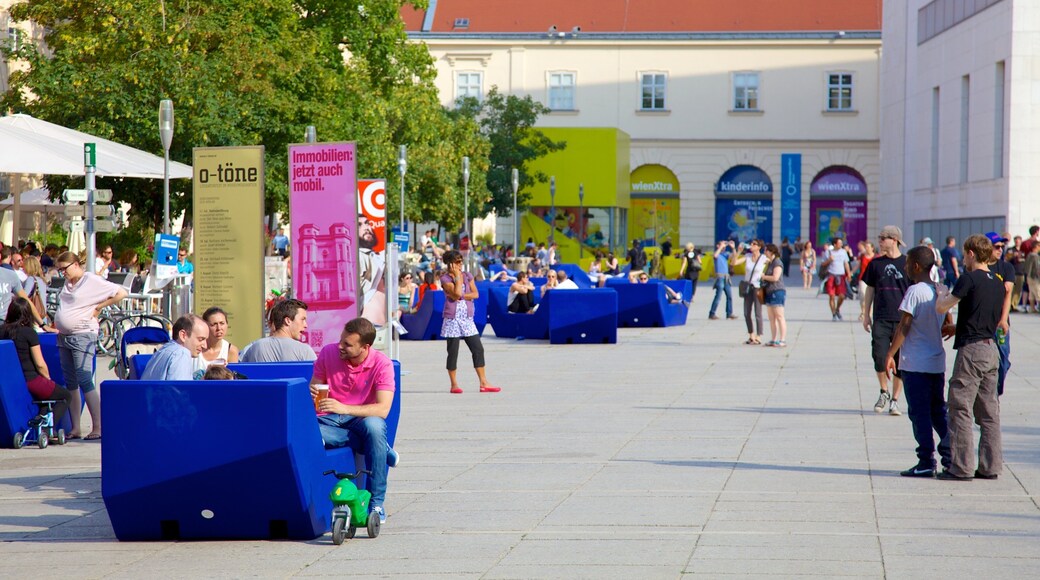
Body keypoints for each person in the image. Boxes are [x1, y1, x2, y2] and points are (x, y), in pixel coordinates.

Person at [311, 317, 400, 525]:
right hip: (329, 419)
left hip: (362, 418)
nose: (340, 346)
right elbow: (316, 390)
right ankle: (380, 447)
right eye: (341, 340)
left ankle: (376, 502)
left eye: (348, 345)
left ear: (365, 347)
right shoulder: (328, 352)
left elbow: (383, 409)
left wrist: (344, 408)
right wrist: (312, 390)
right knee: (309, 432)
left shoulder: (382, 364)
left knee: (375, 426)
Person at [935, 234, 1006, 481]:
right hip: (991, 349)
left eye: (965, 254)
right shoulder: (997, 282)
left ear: (972, 253)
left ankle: (962, 467)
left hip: (972, 351)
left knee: (960, 406)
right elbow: (986, 315)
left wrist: (941, 294)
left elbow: (943, 307)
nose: (963, 258)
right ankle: (990, 466)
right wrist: (959, 327)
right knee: (989, 412)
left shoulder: (969, 278)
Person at [884, 246, 955, 477]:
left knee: (919, 413)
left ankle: (925, 461)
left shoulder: (915, 291)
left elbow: (904, 324)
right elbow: (948, 319)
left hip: (915, 363)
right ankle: (950, 456)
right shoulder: (941, 288)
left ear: (916, 266)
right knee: (938, 411)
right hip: (936, 362)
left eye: (906, 264)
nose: (904, 268)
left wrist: (890, 354)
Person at [53, 251, 128, 440]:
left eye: (65, 269)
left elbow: (121, 292)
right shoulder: (68, 283)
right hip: (64, 336)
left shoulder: (90, 280)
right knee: (71, 382)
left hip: (83, 334)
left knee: (85, 379)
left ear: (76, 265)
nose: (63, 273)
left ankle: (98, 427)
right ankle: (76, 427)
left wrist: (99, 307)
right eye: (60, 270)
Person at [0, 297, 73, 430]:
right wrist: (48, 379)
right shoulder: (29, 333)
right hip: (30, 379)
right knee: (65, 396)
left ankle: (38, 427)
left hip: (10, 381)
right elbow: (40, 364)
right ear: (28, 314)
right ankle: (48, 430)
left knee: (44, 402)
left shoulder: (1, 331)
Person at [862, 226, 911, 415]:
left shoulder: (908, 263)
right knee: (880, 356)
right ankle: (884, 391)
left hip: (902, 320)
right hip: (881, 317)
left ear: (895, 240)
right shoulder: (875, 264)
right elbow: (870, 290)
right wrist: (866, 314)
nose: (880, 241)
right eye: (880, 237)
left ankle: (895, 399)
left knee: (900, 361)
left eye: (883, 238)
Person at [440, 249, 500, 394]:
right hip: (453, 319)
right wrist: (457, 279)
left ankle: (483, 382)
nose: (460, 264)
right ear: (449, 263)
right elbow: (455, 294)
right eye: (457, 262)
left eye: (461, 261)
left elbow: (475, 294)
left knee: (478, 348)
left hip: (467, 318)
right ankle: (454, 384)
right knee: (453, 352)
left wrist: (461, 294)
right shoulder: (445, 279)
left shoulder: (468, 276)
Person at [985, 232, 1015, 397]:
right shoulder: (977, 267)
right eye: (996, 247)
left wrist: (1004, 320)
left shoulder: (1006, 268)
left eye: (1002, 247)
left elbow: (1008, 293)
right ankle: (988, 393)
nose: (1000, 250)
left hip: (999, 323)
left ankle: (996, 391)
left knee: (1003, 359)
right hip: (981, 323)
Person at [239, 299, 317, 362]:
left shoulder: (254, 347)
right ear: (288, 321)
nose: (305, 325)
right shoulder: (304, 351)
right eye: (302, 319)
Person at [141, 314, 210, 381]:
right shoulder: (181, 354)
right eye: (201, 339)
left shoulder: (162, 351)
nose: (205, 346)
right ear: (183, 335)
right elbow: (180, 390)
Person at [730, 240, 767, 344]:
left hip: (758, 287)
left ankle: (759, 336)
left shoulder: (764, 258)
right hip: (747, 287)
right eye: (751, 244)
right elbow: (733, 263)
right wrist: (738, 251)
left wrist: (766, 276)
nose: (751, 246)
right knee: (746, 312)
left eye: (754, 244)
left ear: (759, 247)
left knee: (758, 312)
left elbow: (773, 264)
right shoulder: (747, 256)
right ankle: (751, 335)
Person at [193, 307, 241, 378]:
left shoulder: (231, 351)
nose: (219, 328)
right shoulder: (195, 347)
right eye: (214, 324)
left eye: (222, 323)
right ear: (205, 326)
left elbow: (232, 382)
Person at [760, 243, 787, 347]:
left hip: (777, 291)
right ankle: (774, 339)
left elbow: (775, 278)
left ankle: (782, 339)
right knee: (771, 318)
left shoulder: (777, 262)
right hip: (769, 291)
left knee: (779, 316)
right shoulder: (769, 262)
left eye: (766, 250)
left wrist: (764, 277)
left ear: (771, 251)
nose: (764, 252)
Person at [821, 237, 852, 321]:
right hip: (831, 275)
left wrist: (849, 274)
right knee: (831, 296)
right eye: (840, 243)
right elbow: (823, 264)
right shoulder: (828, 252)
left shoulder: (843, 252)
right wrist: (829, 260)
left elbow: (846, 263)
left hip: (841, 276)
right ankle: (834, 313)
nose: (841, 245)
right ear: (835, 244)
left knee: (842, 295)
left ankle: (837, 308)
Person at [709, 240, 738, 320]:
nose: (724, 246)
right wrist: (721, 246)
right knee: (718, 296)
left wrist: (733, 248)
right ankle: (712, 313)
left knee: (729, 296)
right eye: (722, 245)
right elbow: (715, 256)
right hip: (720, 277)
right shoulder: (717, 254)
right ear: (718, 246)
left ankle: (729, 313)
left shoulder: (725, 254)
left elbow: (734, 257)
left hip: (726, 278)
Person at [20, 256, 50, 328]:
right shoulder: (42, 280)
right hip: (42, 315)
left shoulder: (30, 279)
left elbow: (23, 296)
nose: (22, 267)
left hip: (34, 317)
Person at [1006, 236, 1026, 312]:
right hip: (1013, 272)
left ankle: (1014, 305)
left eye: (1018, 240)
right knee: (1011, 290)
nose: (1017, 242)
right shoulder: (1011, 250)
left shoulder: (1023, 250)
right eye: (1016, 241)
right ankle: (1009, 305)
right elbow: (1006, 258)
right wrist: (1012, 256)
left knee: (1018, 290)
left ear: (1021, 241)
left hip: (1021, 272)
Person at [1025, 243, 1040, 313]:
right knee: (1038, 292)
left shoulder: (1029, 255)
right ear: (1036, 247)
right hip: (1034, 277)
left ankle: (1032, 308)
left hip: (1029, 277)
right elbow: (1035, 267)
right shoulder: (1034, 256)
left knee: (1032, 293)